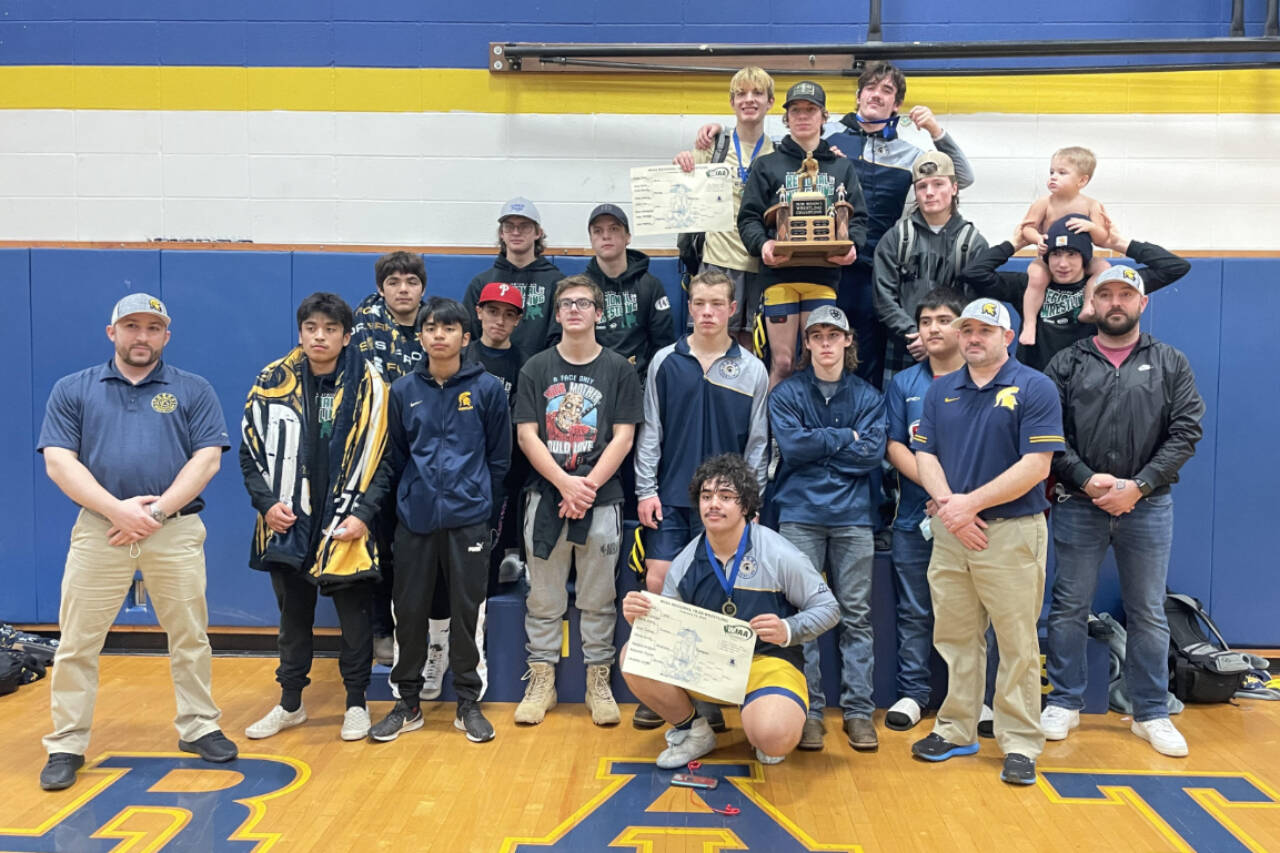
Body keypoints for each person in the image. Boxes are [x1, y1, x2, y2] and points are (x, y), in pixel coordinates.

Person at [36, 293, 236, 791]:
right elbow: (59, 462)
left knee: (190, 635)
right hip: (99, 531)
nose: (141, 336)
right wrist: (118, 510)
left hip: (175, 529)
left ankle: (199, 726)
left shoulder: (193, 389)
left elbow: (207, 459)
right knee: (77, 642)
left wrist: (156, 512)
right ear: (112, 333)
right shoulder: (73, 389)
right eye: (131, 326)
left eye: (152, 327)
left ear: (166, 336)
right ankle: (66, 743)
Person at [1042, 265, 1205, 757]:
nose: (1116, 302)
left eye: (1125, 295)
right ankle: (1065, 702)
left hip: (1147, 506)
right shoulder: (1067, 362)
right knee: (1069, 606)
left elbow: (1186, 432)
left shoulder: (1170, 362)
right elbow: (1048, 434)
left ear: (1142, 303)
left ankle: (1151, 710)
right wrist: (1085, 478)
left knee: (1147, 610)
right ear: (1092, 304)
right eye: (1106, 294)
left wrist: (1139, 486)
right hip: (1079, 504)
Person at [909, 298, 1065, 786]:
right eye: (967, 330)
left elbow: (1036, 466)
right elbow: (925, 455)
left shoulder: (1035, 387)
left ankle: (1019, 742)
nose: (974, 338)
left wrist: (967, 505)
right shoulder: (941, 390)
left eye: (985, 330)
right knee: (955, 636)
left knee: (1016, 642)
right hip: (952, 531)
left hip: (1011, 532)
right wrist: (952, 511)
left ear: (1008, 337)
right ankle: (957, 728)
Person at [620, 453, 840, 767]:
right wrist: (640, 619)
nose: (713, 504)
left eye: (725, 497)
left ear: (746, 506)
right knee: (634, 654)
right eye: (706, 496)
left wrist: (788, 628)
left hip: (766, 663)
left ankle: (765, 721)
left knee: (773, 736)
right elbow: (667, 633)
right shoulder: (685, 561)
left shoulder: (778, 553)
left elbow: (829, 608)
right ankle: (693, 732)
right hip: (709, 665)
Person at [241, 292, 391, 743]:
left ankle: (356, 704)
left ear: (347, 336)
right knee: (293, 620)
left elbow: (385, 461)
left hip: (346, 522)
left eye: (330, 329)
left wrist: (362, 515)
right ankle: (290, 704)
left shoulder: (372, 386)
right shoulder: (271, 382)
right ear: (301, 332)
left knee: (355, 622)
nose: (319, 337)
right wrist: (267, 505)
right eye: (311, 328)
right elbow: (250, 455)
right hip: (289, 524)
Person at [631, 270, 770, 730]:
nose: (707, 312)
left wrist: (750, 502)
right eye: (699, 303)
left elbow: (758, 443)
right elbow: (651, 432)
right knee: (659, 583)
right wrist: (646, 490)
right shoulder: (665, 362)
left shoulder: (751, 369)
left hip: (727, 505)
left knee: (716, 593)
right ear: (689, 307)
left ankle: (710, 694)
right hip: (672, 498)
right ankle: (661, 690)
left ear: (732, 309)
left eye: (716, 304)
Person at [369, 297, 511, 744]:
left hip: (469, 519)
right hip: (415, 521)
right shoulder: (403, 391)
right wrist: (408, 502)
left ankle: (468, 702)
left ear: (465, 338)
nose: (439, 335)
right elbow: (394, 458)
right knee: (409, 611)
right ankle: (407, 703)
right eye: (431, 328)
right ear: (421, 336)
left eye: (448, 329)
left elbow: (500, 460)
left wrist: (481, 506)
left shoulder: (487, 389)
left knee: (468, 611)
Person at [512, 275, 644, 726]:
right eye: (566, 303)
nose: (574, 309)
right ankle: (541, 681)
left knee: (599, 597)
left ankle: (597, 681)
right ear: (556, 313)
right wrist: (565, 485)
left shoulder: (619, 369)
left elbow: (624, 438)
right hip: (546, 497)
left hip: (601, 499)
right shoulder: (535, 367)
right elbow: (527, 435)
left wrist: (584, 488)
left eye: (583, 303)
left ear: (598, 313)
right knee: (543, 597)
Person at [769, 306, 886, 752]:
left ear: (848, 340)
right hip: (800, 514)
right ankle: (811, 712)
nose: (825, 343)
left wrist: (820, 446)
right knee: (804, 616)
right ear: (807, 343)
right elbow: (793, 448)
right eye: (816, 336)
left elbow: (870, 455)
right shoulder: (787, 393)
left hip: (854, 517)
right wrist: (844, 438)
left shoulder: (868, 396)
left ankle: (858, 712)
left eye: (833, 335)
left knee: (856, 615)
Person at [824, 60, 975, 388]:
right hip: (828, 266)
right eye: (870, 88)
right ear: (858, 95)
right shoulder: (829, 138)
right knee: (824, 349)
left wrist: (936, 131)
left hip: (878, 272)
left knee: (868, 359)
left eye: (886, 90)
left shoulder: (908, 154)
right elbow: (779, 152)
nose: (876, 94)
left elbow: (962, 177)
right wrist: (718, 134)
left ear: (897, 104)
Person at [738, 81, 867, 387]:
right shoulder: (766, 165)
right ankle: (771, 421)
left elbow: (859, 219)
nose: (803, 116)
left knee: (817, 362)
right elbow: (748, 218)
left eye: (811, 109)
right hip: (778, 276)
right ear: (786, 117)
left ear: (824, 116)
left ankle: (813, 419)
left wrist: (853, 247)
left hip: (823, 277)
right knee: (782, 363)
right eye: (796, 110)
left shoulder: (841, 167)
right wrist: (763, 244)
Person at [882, 287, 965, 733]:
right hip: (915, 518)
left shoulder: (982, 378)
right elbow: (895, 445)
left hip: (971, 518)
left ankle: (971, 698)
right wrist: (937, 492)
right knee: (915, 610)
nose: (933, 329)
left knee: (971, 613)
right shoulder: (904, 383)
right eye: (926, 322)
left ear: (963, 326)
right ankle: (914, 693)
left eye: (943, 320)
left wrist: (954, 500)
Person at [957, 220, 1191, 372]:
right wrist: (1016, 242)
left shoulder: (1106, 288)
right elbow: (973, 273)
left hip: (1087, 385)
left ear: (1085, 258)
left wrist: (1118, 243)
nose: (1063, 263)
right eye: (1056, 254)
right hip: (1037, 383)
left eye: (1071, 254)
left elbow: (1174, 267)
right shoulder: (1028, 287)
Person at [350, 250, 427, 667]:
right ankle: (382, 629)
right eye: (393, 282)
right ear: (381, 289)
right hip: (377, 452)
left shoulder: (436, 324)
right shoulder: (363, 325)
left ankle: (421, 630)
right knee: (379, 545)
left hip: (425, 452)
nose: (403, 290)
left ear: (422, 288)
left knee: (419, 549)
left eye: (411, 282)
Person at [672, 66, 777, 349]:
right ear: (732, 102)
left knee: (750, 346)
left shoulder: (777, 153)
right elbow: (680, 185)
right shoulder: (713, 146)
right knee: (711, 341)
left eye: (757, 93)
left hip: (758, 262)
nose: (749, 99)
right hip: (716, 260)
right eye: (741, 94)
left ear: (770, 102)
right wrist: (681, 162)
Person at [873, 151, 989, 381]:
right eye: (922, 186)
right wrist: (914, 334)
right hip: (907, 346)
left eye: (938, 184)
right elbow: (883, 297)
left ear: (954, 188)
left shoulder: (973, 243)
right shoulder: (896, 238)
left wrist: (945, 338)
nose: (929, 192)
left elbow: (977, 303)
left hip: (956, 350)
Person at [1018, 146, 1112, 345]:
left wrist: (1092, 227)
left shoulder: (1091, 205)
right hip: (1047, 259)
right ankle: (1030, 324)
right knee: (1036, 276)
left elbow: (1102, 238)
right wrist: (1038, 239)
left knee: (1104, 268)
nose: (1053, 177)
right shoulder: (1044, 203)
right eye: (1051, 172)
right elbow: (1027, 228)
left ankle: (1088, 305)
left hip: (1080, 261)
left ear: (1082, 180)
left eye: (1062, 173)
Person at [466, 281, 526, 592]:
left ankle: (486, 609)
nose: (499, 320)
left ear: (517, 320)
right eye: (492, 311)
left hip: (500, 470)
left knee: (489, 546)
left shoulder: (524, 364)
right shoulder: (462, 356)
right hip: (460, 466)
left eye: (508, 314)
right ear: (478, 312)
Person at [462, 197, 564, 361]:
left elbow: (559, 338)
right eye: (509, 226)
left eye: (524, 226)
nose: (516, 232)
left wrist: (541, 369)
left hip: (539, 371)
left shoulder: (556, 283)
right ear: (501, 233)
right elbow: (469, 336)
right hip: (488, 372)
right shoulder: (481, 283)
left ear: (538, 232)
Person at [582, 203, 676, 378]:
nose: (606, 236)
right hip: (592, 380)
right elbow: (571, 343)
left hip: (639, 381)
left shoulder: (650, 285)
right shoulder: (580, 288)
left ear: (628, 237)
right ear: (591, 239)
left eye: (614, 229)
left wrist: (647, 381)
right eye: (598, 231)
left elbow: (663, 345)